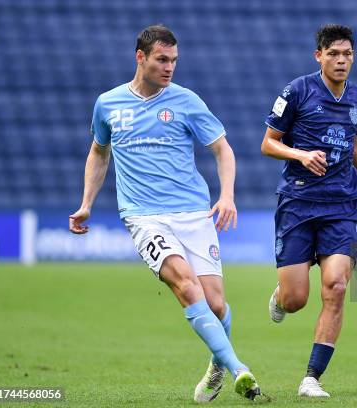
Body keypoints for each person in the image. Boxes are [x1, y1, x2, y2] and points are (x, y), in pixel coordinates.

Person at [68, 25, 261, 402]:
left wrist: (227, 196)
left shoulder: (187, 101)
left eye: (173, 60)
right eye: (161, 59)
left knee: (216, 303)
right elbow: (99, 151)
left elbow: (223, 149)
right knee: (185, 284)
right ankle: (240, 369)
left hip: (193, 212)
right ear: (140, 57)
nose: (169, 67)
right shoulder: (108, 104)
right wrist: (87, 203)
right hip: (143, 216)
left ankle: (217, 364)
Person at [260, 24, 357, 398]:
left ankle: (311, 378)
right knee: (296, 299)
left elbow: (353, 145)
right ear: (319, 56)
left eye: (347, 54)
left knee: (335, 287)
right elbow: (269, 143)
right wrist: (301, 153)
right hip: (298, 203)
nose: (341, 60)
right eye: (333, 53)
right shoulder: (297, 91)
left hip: (342, 207)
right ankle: (282, 296)